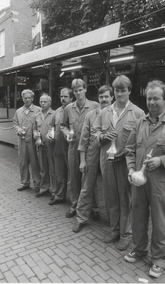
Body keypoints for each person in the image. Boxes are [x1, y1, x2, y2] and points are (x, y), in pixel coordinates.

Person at [124, 80, 165, 278]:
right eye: (148, 98)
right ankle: (139, 248)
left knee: (161, 221)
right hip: (139, 180)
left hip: (161, 182)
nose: (152, 102)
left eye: (156, 98)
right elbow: (129, 150)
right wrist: (130, 169)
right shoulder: (140, 122)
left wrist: (162, 160)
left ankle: (159, 258)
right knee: (137, 215)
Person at [92, 75, 145, 251]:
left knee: (126, 198)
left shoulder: (137, 113)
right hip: (107, 161)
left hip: (125, 163)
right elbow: (95, 132)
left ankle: (126, 234)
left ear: (129, 91)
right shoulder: (104, 112)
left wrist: (128, 155)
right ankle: (114, 230)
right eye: (117, 90)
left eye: (123, 90)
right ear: (113, 92)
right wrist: (102, 136)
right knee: (110, 197)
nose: (120, 93)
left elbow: (142, 141)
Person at [72, 85, 114, 233]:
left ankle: (113, 221)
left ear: (112, 98)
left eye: (107, 97)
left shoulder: (116, 114)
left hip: (109, 155)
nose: (104, 99)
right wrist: (83, 160)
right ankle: (81, 218)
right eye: (101, 97)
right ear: (98, 98)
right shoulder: (91, 115)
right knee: (86, 187)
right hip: (92, 153)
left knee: (110, 190)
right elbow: (83, 139)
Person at [61, 78, 99, 218]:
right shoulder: (68, 108)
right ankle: (74, 205)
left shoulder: (95, 106)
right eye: (75, 91)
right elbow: (63, 125)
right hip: (73, 147)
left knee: (89, 178)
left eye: (80, 90)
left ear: (85, 89)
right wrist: (66, 134)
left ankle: (93, 208)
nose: (78, 93)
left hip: (90, 149)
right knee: (74, 177)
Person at [48, 87, 73, 205]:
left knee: (73, 176)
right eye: (61, 96)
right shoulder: (57, 111)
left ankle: (74, 201)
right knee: (59, 173)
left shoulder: (74, 110)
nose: (63, 99)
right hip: (58, 147)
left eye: (65, 96)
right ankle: (60, 196)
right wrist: (49, 134)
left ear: (71, 98)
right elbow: (51, 127)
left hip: (70, 147)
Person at [13, 89, 41, 192]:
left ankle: (37, 183)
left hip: (33, 140)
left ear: (33, 98)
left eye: (29, 98)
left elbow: (41, 124)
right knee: (23, 162)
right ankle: (24, 182)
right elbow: (15, 123)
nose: (27, 100)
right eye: (25, 98)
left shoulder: (38, 110)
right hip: (22, 140)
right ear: (22, 99)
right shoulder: (18, 111)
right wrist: (18, 129)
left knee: (35, 162)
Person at [33, 94, 56, 198]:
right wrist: (35, 136)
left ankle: (54, 190)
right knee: (43, 168)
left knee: (53, 168)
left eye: (45, 102)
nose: (42, 103)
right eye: (41, 101)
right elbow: (34, 129)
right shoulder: (37, 115)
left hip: (51, 145)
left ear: (49, 103)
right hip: (40, 145)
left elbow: (57, 129)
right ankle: (44, 188)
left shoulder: (54, 114)